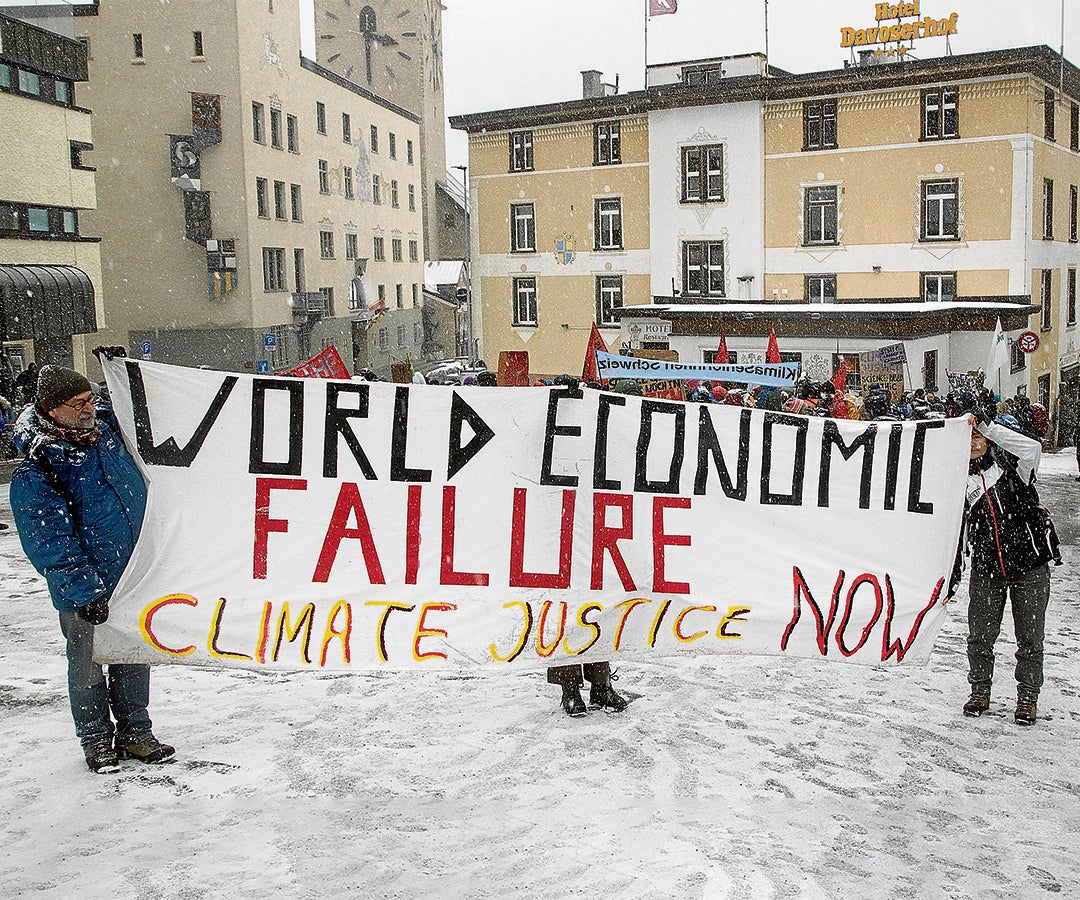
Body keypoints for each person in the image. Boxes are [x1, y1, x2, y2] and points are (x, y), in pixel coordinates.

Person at [9, 363, 175, 773]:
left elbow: (146, 407)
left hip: (131, 576)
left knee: (133, 655)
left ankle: (136, 732)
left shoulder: (107, 434)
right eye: (79, 403)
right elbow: (48, 540)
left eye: (91, 399)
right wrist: (85, 590)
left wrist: (125, 372)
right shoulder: (40, 467)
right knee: (88, 665)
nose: (89, 409)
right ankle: (96, 738)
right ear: (52, 409)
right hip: (85, 586)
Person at [948, 412, 1055, 726]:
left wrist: (986, 424)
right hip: (987, 569)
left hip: (1030, 566)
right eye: (967, 439)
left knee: (1030, 639)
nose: (973, 444)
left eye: (978, 438)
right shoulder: (955, 480)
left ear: (988, 439)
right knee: (980, 636)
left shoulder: (1014, 467)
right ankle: (980, 691)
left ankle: (1028, 697)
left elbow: (1032, 448)